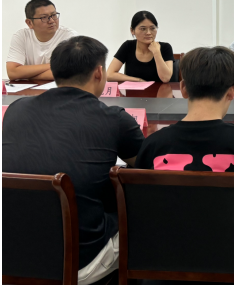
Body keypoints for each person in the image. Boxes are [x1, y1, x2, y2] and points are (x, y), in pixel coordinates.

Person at [3, 36, 144, 285]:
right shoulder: (115, 119)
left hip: (11, 256)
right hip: (79, 263)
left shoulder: (16, 109)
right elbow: (143, 166)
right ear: (99, 72)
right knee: (143, 218)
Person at [135, 46, 234, 279]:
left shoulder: (154, 144)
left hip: (164, 256)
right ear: (233, 91)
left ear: (183, 88)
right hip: (233, 257)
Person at [6, 0, 78, 81]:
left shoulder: (69, 36)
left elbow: (68, 73)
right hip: (29, 88)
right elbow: (12, 72)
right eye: (44, 17)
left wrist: (26, 75)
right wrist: (53, 65)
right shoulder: (21, 36)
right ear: (29, 23)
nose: (52, 21)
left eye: (54, 15)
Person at [107, 11, 174, 83]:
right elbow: (109, 75)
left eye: (152, 28)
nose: (148, 33)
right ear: (132, 30)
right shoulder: (128, 46)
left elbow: (166, 78)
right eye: (143, 29)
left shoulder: (165, 47)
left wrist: (157, 52)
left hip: (159, 90)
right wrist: (138, 80)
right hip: (134, 90)